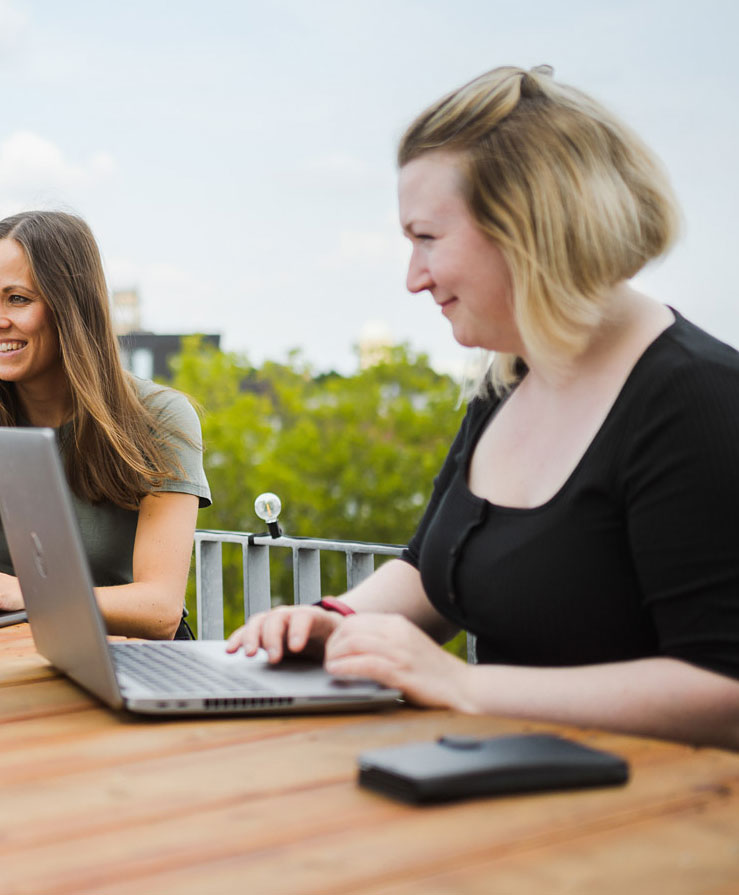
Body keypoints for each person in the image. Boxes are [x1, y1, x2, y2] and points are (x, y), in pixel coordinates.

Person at [226, 66, 739, 749]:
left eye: (427, 238)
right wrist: (334, 620)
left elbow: (722, 690)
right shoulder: (506, 381)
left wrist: (460, 685)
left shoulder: (697, 399)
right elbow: (431, 572)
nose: (413, 278)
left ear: (525, 227)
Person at [0, 211, 210, 640]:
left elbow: (159, 610)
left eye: (17, 299)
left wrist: (28, 592)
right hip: (10, 660)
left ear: (72, 306)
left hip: (134, 661)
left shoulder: (159, 418)